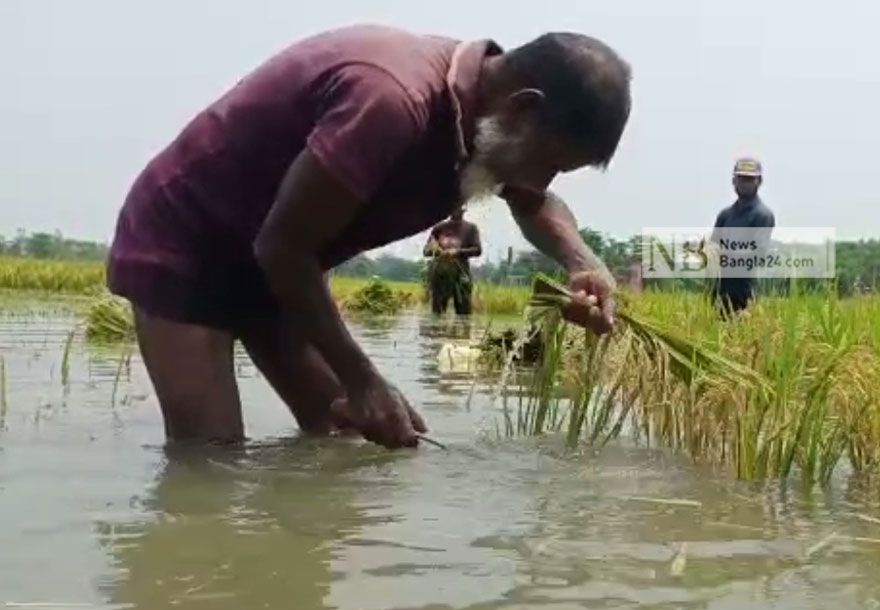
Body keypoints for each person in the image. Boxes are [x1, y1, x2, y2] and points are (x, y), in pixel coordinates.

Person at [105, 24, 632, 450]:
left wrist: (583, 262)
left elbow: (534, 200)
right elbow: (282, 247)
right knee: (211, 463)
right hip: (190, 245)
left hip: (281, 271)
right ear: (522, 107)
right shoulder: (389, 100)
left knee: (348, 446)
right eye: (550, 162)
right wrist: (364, 380)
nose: (544, 180)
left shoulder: (485, 121)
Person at [710, 158, 775, 315]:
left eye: (749, 179)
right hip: (720, 293)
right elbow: (712, 248)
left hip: (745, 295)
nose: (744, 183)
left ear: (759, 181)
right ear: (733, 181)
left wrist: (726, 254)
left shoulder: (762, 215)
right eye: (741, 178)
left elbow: (759, 255)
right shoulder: (725, 215)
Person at [422, 208, 482, 315]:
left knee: (464, 312)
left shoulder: (470, 228)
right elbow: (426, 251)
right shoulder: (439, 228)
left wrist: (457, 252)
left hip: (461, 272)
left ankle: (462, 330)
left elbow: (477, 250)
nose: (456, 210)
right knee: (438, 311)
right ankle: (437, 331)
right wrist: (436, 249)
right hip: (440, 273)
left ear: (464, 209)